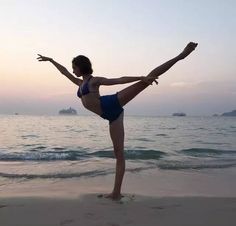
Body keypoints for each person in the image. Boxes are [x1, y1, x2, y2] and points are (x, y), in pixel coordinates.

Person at [37, 42, 197, 200]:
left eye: (74, 67)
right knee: (118, 154)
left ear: (81, 67)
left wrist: (140, 77)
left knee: (144, 82)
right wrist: (51, 60)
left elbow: (118, 80)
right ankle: (116, 193)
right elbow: (64, 72)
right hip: (111, 116)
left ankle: (181, 55)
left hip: (112, 103)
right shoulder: (79, 83)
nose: (72, 70)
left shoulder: (93, 81)